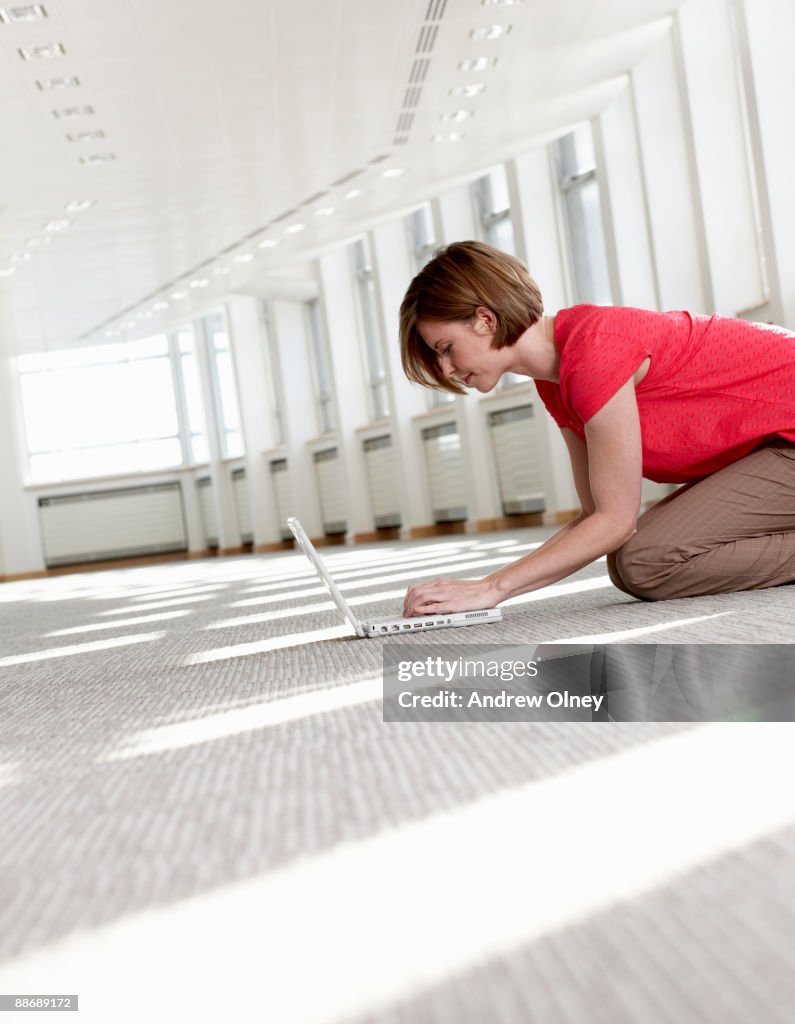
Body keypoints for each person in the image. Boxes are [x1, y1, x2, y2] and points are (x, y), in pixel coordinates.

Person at [398, 240, 795, 616]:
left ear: (485, 320)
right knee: (631, 564)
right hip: (777, 447)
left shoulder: (594, 350)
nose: (446, 369)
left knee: (644, 561)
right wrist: (490, 585)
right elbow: (596, 515)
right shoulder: (556, 382)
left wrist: (492, 588)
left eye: (445, 348)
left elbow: (616, 520)